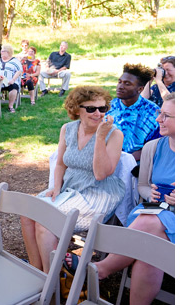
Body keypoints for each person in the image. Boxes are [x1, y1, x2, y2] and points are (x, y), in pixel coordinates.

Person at [66, 94, 177, 305]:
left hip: (174, 218)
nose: (158, 119)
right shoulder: (153, 147)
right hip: (152, 209)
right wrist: (149, 193)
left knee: (149, 239)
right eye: (159, 113)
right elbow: (142, 186)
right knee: (149, 232)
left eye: (166, 116)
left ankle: (101, 269)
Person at [22, 86, 123, 273]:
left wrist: (100, 138)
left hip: (96, 192)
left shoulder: (114, 134)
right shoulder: (67, 129)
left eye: (103, 108)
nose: (98, 113)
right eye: (91, 109)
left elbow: (101, 174)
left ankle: (50, 281)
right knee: (28, 213)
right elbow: (60, 164)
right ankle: (36, 269)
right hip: (69, 188)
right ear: (77, 109)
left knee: (46, 224)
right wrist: (56, 187)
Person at [107, 63, 160, 160]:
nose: (120, 86)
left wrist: (128, 159)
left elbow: (156, 145)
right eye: (120, 82)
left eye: (127, 84)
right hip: (107, 159)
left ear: (140, 89)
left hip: (140, 163)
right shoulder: (107, 108)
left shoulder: (152, 111)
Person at [0, 46, 23, 113]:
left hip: (10, 81)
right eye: (1, 51)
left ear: (8, 52)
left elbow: (19, 71)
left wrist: (13, 80)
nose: (1, 52)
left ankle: (10, 106)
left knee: (14, 87)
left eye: (3, 51)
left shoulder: (15, 61)